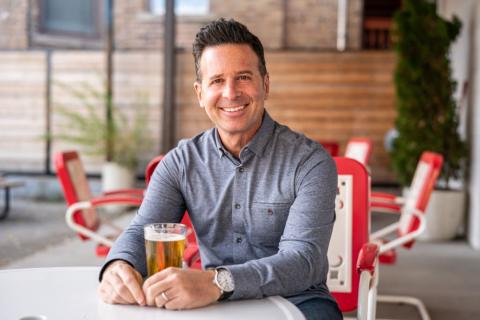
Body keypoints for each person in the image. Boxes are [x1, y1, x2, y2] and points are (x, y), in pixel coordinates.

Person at [98, 18, 342, 320]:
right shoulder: (180, 162)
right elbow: (142, 230)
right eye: (217, 81)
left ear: (265, 84)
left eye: (243, 77)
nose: (230, 92)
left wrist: (217, 282)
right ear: (200, 94)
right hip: (212, 305)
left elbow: (302, 261)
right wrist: (117, 266)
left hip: (298, 301)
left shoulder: (310, 162)